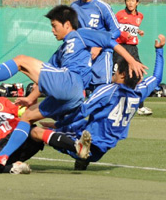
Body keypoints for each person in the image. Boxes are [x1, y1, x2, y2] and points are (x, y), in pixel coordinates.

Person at [0, 5, 146, 166]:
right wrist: (30, 98)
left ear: (67, 24)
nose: (52, 30)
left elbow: (110, 41)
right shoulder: (60, 52)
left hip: (71, 82)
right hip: (71, 96)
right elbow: (44, 79)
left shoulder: (80, 34)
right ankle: (3, 156)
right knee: (27, 117)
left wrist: (131, 61)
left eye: (54, 26)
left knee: (20, 60)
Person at [32, 34, 165, 170]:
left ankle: (15, 157)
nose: (114, 71)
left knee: (35, 132)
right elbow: (157, 77)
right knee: (82, 124)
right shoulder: (139, 92)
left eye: (116, 69)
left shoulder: (109, 90)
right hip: (103, 147)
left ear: (123, 75)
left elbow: (82, 111)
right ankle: (83, 160)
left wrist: (58, 124)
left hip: (88, 142)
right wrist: (159, 50)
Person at [71, 0, 121, 89]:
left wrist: (99, 46)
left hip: (102, 54)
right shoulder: (74, 7)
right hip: (83, 55)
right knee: (79, 90)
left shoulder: (102, 7)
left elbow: (116, 31)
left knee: (101, 90)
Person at [113, 0, 152, 116]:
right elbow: (115, 28)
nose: (130, 3)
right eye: (128, 0)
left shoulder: (140, 16)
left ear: (137, 3)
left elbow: (131, 27)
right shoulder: (119, 14)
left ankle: (140, 106)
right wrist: (124, 35)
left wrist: (138, 31)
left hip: (133, 49)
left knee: (139, 75)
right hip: (121, 48)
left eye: (132, 0)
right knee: (118, 76)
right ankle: (114, 104)